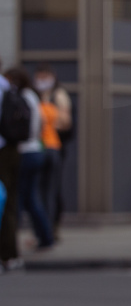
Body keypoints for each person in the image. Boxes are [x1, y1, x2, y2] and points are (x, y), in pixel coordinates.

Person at [4, 67, 54, 251]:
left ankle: (11, 242)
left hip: (24, 151)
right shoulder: (32, 97)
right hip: (35, 149)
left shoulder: (19, 97)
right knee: (31, 198)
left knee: (17, 199)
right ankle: (45, 236)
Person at [33, 65, 71, 233]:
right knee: (41, 191)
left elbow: (66, 123)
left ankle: (48, 228)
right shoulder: (34, 96)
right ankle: (45, 229)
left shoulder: (58, 96)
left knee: (49, 191)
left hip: (50, 148)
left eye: (45, 77)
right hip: (42, 148)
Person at [0, 55, 22, 269]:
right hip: (12, 149)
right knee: (9, 202)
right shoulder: (10, 87)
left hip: (2, 151)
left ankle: (7, 254)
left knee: (2, 201)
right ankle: (10, 254)